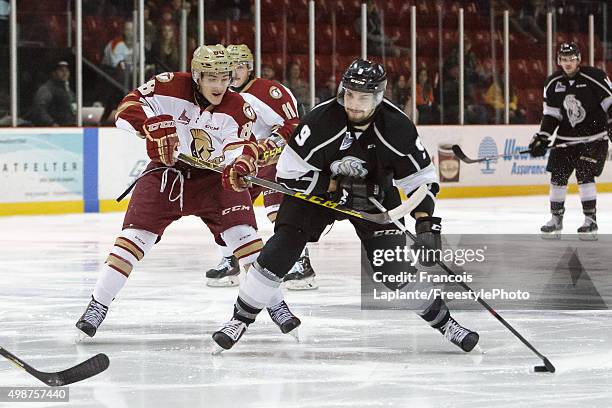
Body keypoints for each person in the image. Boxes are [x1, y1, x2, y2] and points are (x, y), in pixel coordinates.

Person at [211, 59, 479, 353]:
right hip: (319, 194)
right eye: (349, 94)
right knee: (283, 246)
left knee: (393, 268)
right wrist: (332, 187)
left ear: (378, 96)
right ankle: (239, 320)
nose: (353, 103)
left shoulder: (397, 127)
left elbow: (420, 178)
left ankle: (447, 324)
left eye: (363, 97)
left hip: (374, 196)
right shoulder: (321, 121)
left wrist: (425, 221)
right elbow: (288, 172)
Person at [75, 44, 300, 339]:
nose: (219, 85)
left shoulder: (239, 107)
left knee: (246, 241)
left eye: (224, 78)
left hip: (216, 179)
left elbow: (238, 147)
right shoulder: (169, 85)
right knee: (133, 239)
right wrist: (149, 125)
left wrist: (242, 163)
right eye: (212, 78)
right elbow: (126, 109)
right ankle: (98, 305)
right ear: (197, 76)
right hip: (167, 173)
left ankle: (277, 305)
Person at [205, 44, 318, 290]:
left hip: (275, 160)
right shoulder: (220, 95)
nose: (234, 72)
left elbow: (294, 125)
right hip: (244, 162)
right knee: (224, 208)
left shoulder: (269, 92)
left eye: (239, 66)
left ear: (249, 67)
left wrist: (268, 146)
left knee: (278, 211)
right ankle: (229, 260)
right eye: (228, 68)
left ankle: (301, 263)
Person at [529, 43, 612, 240]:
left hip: (595, 137)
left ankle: (590, 220)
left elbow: (610, 102)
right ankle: (556, 219)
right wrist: (543, 136)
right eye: (564, 59)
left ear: (578, 59)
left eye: (571, 59)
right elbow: (552, 115)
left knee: (585, 172)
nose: (567, 63)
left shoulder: (595, 77)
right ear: (559, 61)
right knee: (557, 177)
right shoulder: (552, 83)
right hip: (566, 138)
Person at [30, 61, 76, 126]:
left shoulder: (67, 89)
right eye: (61, 71)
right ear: (53, 73)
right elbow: (39, 109)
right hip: (55, 130)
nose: (65, 73)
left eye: (67, 71)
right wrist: (52, 123)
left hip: (71, 127)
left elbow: (73, 106)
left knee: (91, 133)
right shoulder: (47, 89)